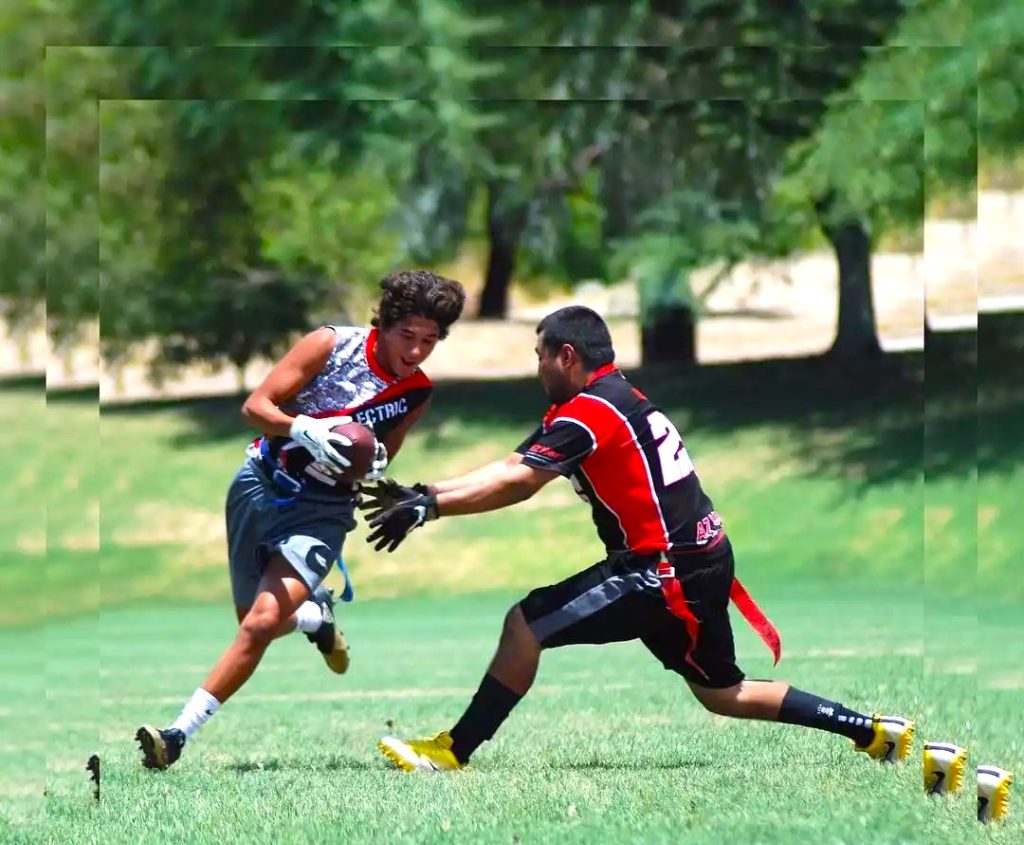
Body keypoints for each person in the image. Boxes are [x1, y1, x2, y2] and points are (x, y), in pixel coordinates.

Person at [363, 305, 914, 772]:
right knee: (723, 694)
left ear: (567, 356)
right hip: (695, 560)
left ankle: (453, 752)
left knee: (524, 624)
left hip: (661, 570)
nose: (537, 369)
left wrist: (430, 509)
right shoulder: (605, 400)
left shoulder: (593, 413)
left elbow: (520, 484)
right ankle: (873, 732)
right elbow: (513, 462)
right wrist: (424, 492)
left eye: (540, 357)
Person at [136, 269, 466, 770]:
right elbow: (255, 407)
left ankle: (176, 735)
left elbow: (382, 455)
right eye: (408, 336)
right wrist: (303, 429)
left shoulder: (415, 393)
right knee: (254, 621)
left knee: (261, 624)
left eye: (430, 341)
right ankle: (316, 616)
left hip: (323, 510)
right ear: (385, 325)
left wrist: (373, 464)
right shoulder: (330, 345)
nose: (417, 351)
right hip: (258, 485)